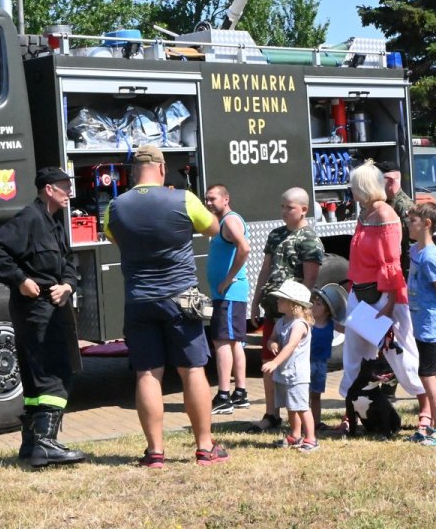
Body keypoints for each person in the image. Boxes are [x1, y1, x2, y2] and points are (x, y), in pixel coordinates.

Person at [103, 144, 227, 468]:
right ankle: (204, 447)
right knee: (194, 369)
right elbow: (214, 228)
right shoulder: (183, 198)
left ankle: (155, 452)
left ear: (133, 173)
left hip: (139, 297)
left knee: (147, 373)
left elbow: (116, 239)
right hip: (185, 294)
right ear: (161, 169)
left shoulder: (115, 207)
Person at [0, 167, 86, 467]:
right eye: (65, 187)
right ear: (49, 189)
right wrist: (20, 279)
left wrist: (68, 286)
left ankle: (32, 446)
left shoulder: (54, 224)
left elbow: (66, 263)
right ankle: (46, 444)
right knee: (54, 372)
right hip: (34, 311)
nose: (70, 192)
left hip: (51, 308)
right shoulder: (29, 218)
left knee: (37, 378)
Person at [340, 161, 430, 434]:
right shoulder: (364, 214)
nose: (350, 188)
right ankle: (350, 411)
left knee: (401, 355)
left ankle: (427, 409)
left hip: (384, 298)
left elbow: (391, 263)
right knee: (353, 354)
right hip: (361, 294)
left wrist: (389, 306)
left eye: (354, 184)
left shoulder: (386, 214)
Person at [248, 187, 324, 433]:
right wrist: (256, 299)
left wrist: (297, 311)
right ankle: (271, 414)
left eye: (289, 207)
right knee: (268, 360)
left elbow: (310, 280)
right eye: (282, 206)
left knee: (291, 365)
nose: (283, 212)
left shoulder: (309, 239)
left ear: (303, 210)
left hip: (291, 313)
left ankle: (300, 419)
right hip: (272, 309)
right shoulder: (275, 235)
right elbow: (265, 268)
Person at [406, 202, 436, 446]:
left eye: (413, 221)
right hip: (420, 321)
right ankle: (435, 426)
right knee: (430, 375)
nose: (408, 225)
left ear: (427, 224)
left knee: (428, 375)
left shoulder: (430, 257)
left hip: (432, 325)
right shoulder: (415, 251)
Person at [204, 184, 252, 415]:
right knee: (233, 343)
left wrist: (228, 279)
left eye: (213, 199)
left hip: (230, 294)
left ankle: (224, 396)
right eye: (206, 199)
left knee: (222, 342)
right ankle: (240, 393)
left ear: (226, 198)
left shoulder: (230, 221)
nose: (209, 203)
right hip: (228, 294)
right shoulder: (224, 222)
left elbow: (244, 248)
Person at [261, 279, 319, 452]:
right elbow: (272, 338)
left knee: (301, 407)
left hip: (296, 375)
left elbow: (291, 346)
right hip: (284, 373)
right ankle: (295, 435)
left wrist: (274, 362)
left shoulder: (300, 324)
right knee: (290, 406)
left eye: (281, 299)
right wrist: (271, 343)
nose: (277, 301)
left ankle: (311, 439)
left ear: (293, 304)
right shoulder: (281, 322)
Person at [309, 283, 347, 430]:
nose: (314, 306)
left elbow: (346, 331)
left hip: (321, 364)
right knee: (303, 395)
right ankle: (303, 422)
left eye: (318, 304)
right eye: (313, 303)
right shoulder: (308, 323)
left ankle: (316, 422)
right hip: (306, 363)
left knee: (316, 395)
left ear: (327, 310)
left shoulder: (332, 324)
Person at [376, 160, 414, 269]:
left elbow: (411, 245)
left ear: (391, 181)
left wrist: (406, 277)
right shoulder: (386, 202)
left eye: (379, 181)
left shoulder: (405, 206)